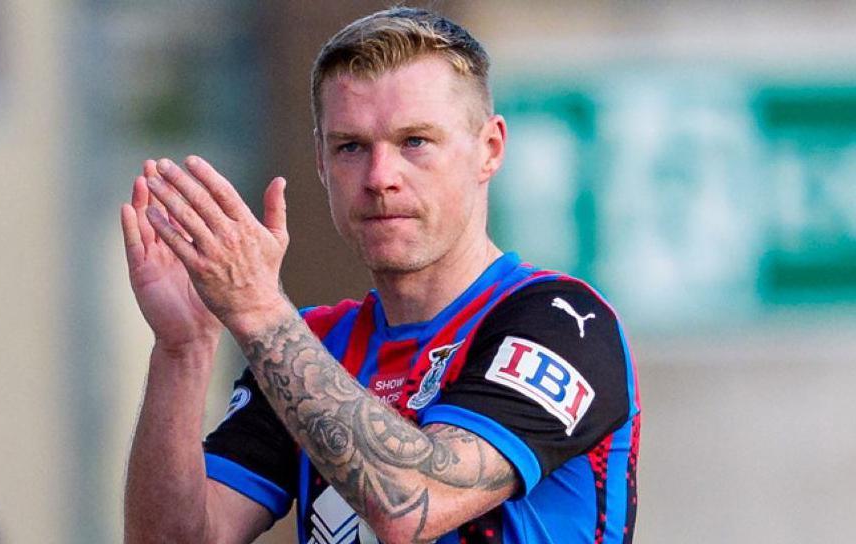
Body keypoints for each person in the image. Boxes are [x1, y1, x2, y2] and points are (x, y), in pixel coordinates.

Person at [122, 7, 640, 544]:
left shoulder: (565, 324)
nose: (379, 178)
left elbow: (411, 505)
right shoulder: (311, 345)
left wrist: (256, 309)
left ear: (489, 150)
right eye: (350, 147)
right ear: (321, 164)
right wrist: (182, 350)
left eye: (415, 141)